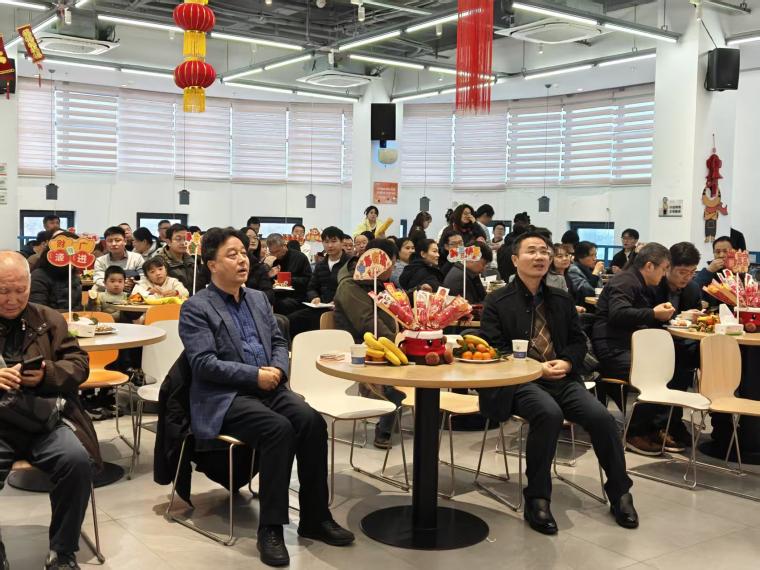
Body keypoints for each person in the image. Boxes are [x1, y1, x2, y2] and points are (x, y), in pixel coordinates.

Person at [178, 228, 354, 567]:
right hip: (225, 396)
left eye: (243, 253)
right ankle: (271, 528)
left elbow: (277, 341)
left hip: (270, 387)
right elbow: (203, 363)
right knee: (278, 430)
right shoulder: (196, 308)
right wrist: (254, 375)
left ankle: (316, 517)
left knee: (311, 422)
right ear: (211, 264)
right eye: (232, 254)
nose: (242, 260)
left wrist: (277, 370)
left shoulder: (258, 299)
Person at [477, 233, 638, 535]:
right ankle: (537, 498)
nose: (540, 257)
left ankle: (620, 493)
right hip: (520, 381)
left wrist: (566, 362)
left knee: (602, 418)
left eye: (544, 251)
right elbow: (493, 347)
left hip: (562, 378)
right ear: (515, 260)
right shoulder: (498, 300)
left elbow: (578, 341)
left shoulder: (560, 298)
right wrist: (534, 367)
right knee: (548, 414)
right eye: (531, 251)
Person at [0, 251, 99, 570]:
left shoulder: (49, 319)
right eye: (3, 291)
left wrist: (48, 374)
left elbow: (79, 363)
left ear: (30, 286)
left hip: (45, 419)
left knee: (76, 461)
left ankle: (63, 550)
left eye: (20, 290)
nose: (12, 299)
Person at [591, 243, 676, 455]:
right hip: (612, 348)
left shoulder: (636, 281)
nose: (664, 274)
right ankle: (634, 433)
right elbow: (618, 314)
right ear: (649, 266)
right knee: (654, 374)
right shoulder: (626, 281)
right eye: (664, 269)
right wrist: (653, 314)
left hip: (625, 345)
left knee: (671, 367)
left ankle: (652, 428)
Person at [333, 239, 404, 448]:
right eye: (392, 263)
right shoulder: (349, 286)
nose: (393, 268)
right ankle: (385, 428)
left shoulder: (380, 282)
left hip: (386, 339)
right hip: (360, 346)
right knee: (398, 368)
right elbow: (368, 322)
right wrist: (397, 343)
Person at [645, 242, 703, 450]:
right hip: (652, 341)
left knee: (697, 355)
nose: (687, 277)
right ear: (668, 267)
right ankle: (661, 424)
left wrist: (696, 318)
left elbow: (696, 318)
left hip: (681, 342)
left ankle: (673, 420)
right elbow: (645, 318)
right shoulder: (653, 285)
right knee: (678, 360)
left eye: (692, 272)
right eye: (682, 272)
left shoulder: (693, 289)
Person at [287, 227, 349, 338]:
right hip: (322, 307)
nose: (330, 245)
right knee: (291, 320)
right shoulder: (320, 265)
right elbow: (311, 287)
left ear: (342, 242)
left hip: (344, 309)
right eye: (326, 242)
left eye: (334, 241)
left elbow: (353, 290)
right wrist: (314, 297)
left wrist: (339, 302)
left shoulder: (350, 263)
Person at [29, 233, 84, 312]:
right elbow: (38, 311)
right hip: (51, 319)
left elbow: (78, 307)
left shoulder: (73, 275)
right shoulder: (39, 276)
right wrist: (71, 314)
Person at [264, 234, 312, 316]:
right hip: (275, 294)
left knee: (281, 304)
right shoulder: (270, 260)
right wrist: (266, 267)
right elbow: (263, 281)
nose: (275, 255)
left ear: (284, 246)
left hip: (296, 296)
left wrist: (287, 279)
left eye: (277, 251)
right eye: (272, 252)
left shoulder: (300, 257)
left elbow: (308, 280)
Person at [155, 224, 205, 295]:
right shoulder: (159, 262)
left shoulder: (193, 259)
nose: (183, 243)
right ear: (169, 242)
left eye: (186, 239)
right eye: (178, 239)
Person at [92, 226, 144, 292]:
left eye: (117, 240)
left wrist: (134, 283)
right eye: (110, 241)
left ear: (125, 241)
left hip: (133, 294)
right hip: (109, 294)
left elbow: (144, 277)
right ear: (106, 243)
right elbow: (98, 279)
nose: (113, 244)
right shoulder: (100, 261)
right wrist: (119, 285)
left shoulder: (137, 258)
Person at [694, 235, 732, 305]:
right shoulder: (708, 271)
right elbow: (693, 290)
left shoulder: (740, 272)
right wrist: (708, 271)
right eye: (717, 252)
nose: (721, 255)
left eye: (725, 251)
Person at [241, 229, 274, 305]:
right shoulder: (235, 263)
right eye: (249, 237)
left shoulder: (259, 265)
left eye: (255, 238)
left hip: (255, 305)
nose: (253, 241)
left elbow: (269, 294)